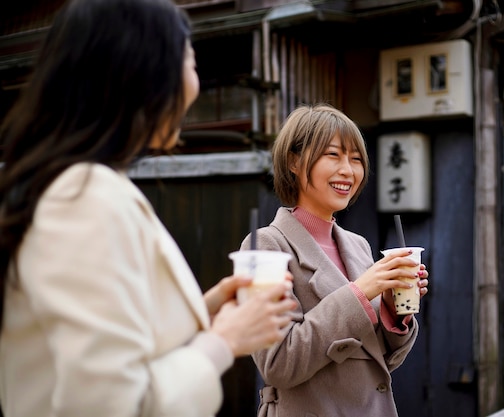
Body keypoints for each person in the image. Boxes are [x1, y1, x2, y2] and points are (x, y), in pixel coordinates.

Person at [0, 0, 296, 416]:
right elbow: (106, 403)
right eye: (191, 59)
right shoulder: (85, 197)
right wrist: (223, 340)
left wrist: (206, 308)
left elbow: (117, 340)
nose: (197, 82)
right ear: (144, 72)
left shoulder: (73, 184)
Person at [240, 103, 430, 416]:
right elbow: (277, 363)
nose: (348, 170)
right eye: (333, 155)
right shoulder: (264, 247)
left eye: (356, 159)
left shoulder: (358, 246)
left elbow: (383, 362)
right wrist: (360, 292)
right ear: (294, 162)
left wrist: (394, 312)